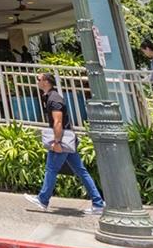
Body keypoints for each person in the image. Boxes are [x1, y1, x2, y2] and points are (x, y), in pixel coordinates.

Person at [23, 71, 104, 216]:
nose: (37, 81)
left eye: (39, 79)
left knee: (51, 169)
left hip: (62, 140)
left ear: (46, 81)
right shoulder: (51, 97)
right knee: (80, 171)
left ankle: (43, 199)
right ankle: (98, 203)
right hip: (67, 140)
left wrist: (57, 141)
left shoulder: (54, 99)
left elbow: (58, 122)